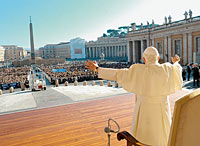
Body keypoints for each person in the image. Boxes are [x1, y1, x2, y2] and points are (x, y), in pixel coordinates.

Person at [85, 46, 183, 146]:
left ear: (144, 59)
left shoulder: (138, 70)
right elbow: (177, 69)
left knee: (143, 136)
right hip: (163, 109)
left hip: (144, 110)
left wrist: (97, 69)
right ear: (158, 58)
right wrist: (175, 62)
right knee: (163, 135)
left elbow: (117, 73)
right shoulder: (167, 68)